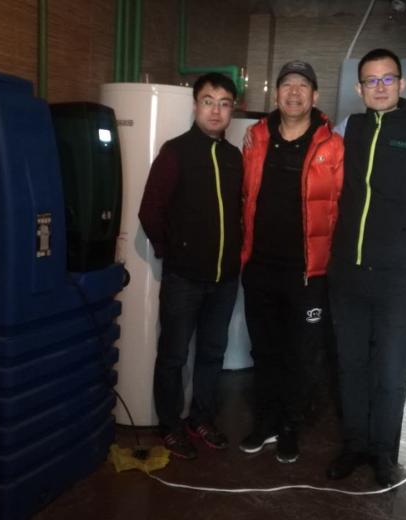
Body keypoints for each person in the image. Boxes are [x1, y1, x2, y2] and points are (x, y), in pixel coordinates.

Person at [326, 48, 406, 485]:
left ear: (401, 83)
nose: (379, 87)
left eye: (387, 79)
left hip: (397, 278)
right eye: (371, 80)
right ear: (359, 88)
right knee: (351, 366)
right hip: (347, 274)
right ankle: (354, 445)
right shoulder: (347, 129)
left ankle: (383, 451)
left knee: (392, 371)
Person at [239, 60, 344, 463]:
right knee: (263, 350)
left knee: (301, 354)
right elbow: (243, 196)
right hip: (260, 267)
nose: (294, 92)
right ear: (276, 93)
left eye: (303, 85)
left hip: (307, 272)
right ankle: (265, 420)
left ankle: (289, 426)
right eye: (287, 85)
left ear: (315, 96)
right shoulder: (256, 137)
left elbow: (342, 207)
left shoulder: (333, 146)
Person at [138, 73, 243, 460]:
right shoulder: (176, 152)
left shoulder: (234, 158)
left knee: (212, 353)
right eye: (208, 101)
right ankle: (169, 426)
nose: (216, 110)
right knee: (173, 355)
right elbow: (150, 211)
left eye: (224, 103)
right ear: (196, 105)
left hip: (225, 278)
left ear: (232, 109)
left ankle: (202, 418)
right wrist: (172, 251)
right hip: (184, 278)